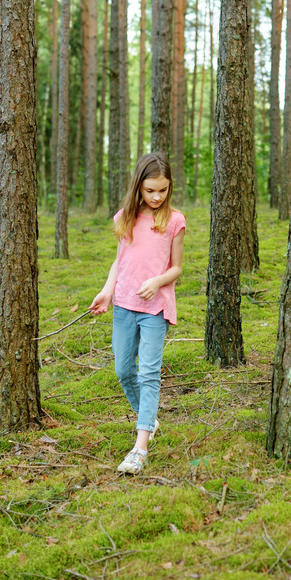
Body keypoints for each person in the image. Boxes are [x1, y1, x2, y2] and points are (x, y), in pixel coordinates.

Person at [88, 153, 186, 474]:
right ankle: (149, 418)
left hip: (155, 307)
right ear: (138, 188)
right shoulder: (124, 218)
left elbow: (176, 269)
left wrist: (157, 281)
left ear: (169, 188)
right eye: (150, 191)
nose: (156, 197)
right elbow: (120, 260)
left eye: (163, 190)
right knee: (122, 371)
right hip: (124, 304)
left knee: (148, 373)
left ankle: (140, 448)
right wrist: (106, 291)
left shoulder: (174, 221)